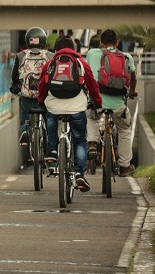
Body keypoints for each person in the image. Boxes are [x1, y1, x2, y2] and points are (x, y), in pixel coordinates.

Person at [37, 37, 102, 192]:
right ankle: (79, 172)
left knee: (50, 117)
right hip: (76, 107)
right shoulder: (80, 63)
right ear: (74, 49)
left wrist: (41, 102)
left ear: (56, 50)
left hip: (54, 106)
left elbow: (42, 85)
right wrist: (97, 102)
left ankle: (52, 149)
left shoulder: (50, 63)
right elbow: (92, 85)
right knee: (80, 139)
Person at [85, 29, 137, 177]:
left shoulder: (92, 54)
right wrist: (131, 92)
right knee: (124, 129)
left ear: (101, 43)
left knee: (92, 116)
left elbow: (87, 73)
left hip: (97, 101)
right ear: (117, 43)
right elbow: (133, 79)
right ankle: (124, 165)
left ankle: (93, 143)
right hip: (118, 105)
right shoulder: (126, 57)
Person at [10, 27, 53, 149]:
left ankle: (25, 129)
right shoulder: (50, 55)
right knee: (49, 118)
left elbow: (15, 76)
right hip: (44, 97)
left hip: (27, 97)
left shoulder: (20, 56)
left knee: (24, 108)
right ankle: (50, 143)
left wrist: (16, 87)